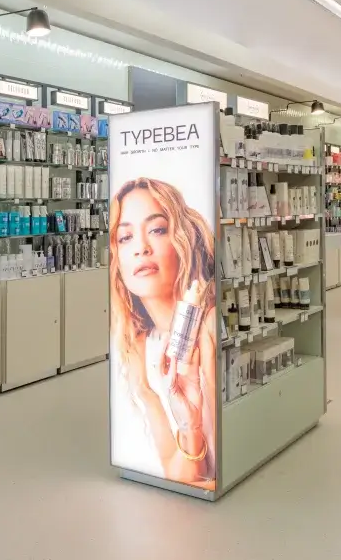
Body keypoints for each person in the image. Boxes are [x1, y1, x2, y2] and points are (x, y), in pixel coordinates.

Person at [109, 177, 217, 488]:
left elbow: (218, 476)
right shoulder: (140, 348)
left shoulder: (207, 326)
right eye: (125, 237)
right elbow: (179, 475)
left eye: (156, 230)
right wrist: (189, 424)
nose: (141, 248)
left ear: (182, 238)